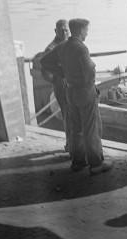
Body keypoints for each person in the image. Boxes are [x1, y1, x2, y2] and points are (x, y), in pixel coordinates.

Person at [41, 18, 112, 175]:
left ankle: (78, 162)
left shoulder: (62, 46)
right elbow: (89, 71)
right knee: (91, 129)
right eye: (86, 30)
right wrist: (89, 84)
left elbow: (44, 61)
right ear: (80, 31)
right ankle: (96, 164)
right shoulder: (81, 48)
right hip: (85, 92)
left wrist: (63, 73)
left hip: (70, 92)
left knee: (76, 129)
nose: (87, 33)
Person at [32, 19, 71, 152]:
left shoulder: (68, 43)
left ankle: (74, 143)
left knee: (72, 114)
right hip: (61, 85)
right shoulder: (51, 48)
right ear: (56, 31)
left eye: (67, 30)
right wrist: (56, 79)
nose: (65, 33)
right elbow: (44, 69)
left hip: (70, 84)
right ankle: (69, 143)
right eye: (62, 30)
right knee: (67, 114)